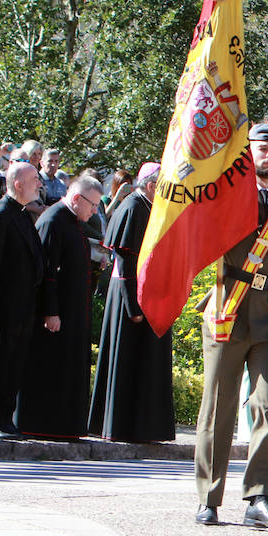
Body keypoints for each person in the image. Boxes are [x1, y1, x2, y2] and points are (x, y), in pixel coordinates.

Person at [193, 125, 268, 527]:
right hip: (229, 308)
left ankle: (260, 497)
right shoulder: (225, 195)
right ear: (246, 156)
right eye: (261, 148)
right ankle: (209, 497)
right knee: (219, 406)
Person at [89, 162, 175, 443]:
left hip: (145, 294)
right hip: (130, 296)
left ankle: (141, 427)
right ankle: (121, 426)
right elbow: (125, 261)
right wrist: (132, 307)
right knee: (126, 359)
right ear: (151, 186)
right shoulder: (133, 208)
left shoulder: (148, 207)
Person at [18, 176, 102, 439]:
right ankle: (43, 425)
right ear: (77, 199)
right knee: (49, 369)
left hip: (72, 311)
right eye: (93, 205)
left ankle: (65, 426)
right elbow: (47, 272)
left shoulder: (72, 221)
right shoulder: (54, 220)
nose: (95, 211)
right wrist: (50, 311)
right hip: (56, 315)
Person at [0, 162, 45, 440]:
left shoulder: (20, 213)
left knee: (14, 361)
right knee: (0, 358)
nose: (39, 185)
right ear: (18, 183)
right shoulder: (0, 214)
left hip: (22, 303)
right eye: (34, 180)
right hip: (3, 304)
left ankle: (6, 416)